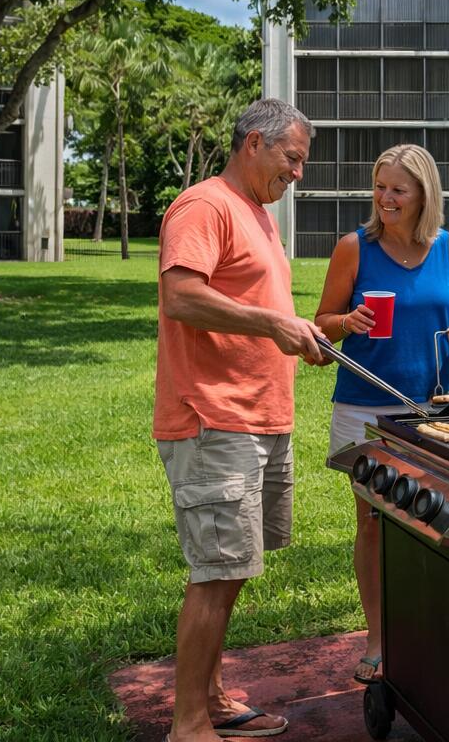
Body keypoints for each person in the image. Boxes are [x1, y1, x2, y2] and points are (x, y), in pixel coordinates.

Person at [154, 98, 327, 742]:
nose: (298, 174)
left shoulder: (255, 213)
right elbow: (181, 296)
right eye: (293, 158)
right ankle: (189, 724)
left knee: (233, 571)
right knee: (216, 572)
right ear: (254, 143)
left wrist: (297, 330)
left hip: (259, 419)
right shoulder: (205, 205)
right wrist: (273, 323)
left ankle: (215, 698)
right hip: (214, 418)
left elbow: (255, 303)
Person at [314, 143, 449, 685]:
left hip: (436, 406)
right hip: (365, 402)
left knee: (441, 520)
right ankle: (379, 638)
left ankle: (439, 628)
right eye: (380, 186)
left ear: (423, 195)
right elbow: (321, 323)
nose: (385, 198)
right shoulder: (353, 248)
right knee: (374, 523)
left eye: (397, 190)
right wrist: (348, 321)